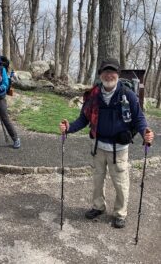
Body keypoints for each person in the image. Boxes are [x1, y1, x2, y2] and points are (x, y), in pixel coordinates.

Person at [59, 58, 154, 228]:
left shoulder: (128, 95)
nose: (109, 75)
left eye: (112, 72)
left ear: (117, 74)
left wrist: (146, 132)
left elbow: (139, 119)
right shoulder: (93, 95)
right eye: (105, 72)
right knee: (97, 180)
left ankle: (120, 213)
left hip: (119, 149)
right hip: (98, 146)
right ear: (100, 74)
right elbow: (83, 119)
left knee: (121, 183)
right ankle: (98, 207)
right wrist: (68, 128)